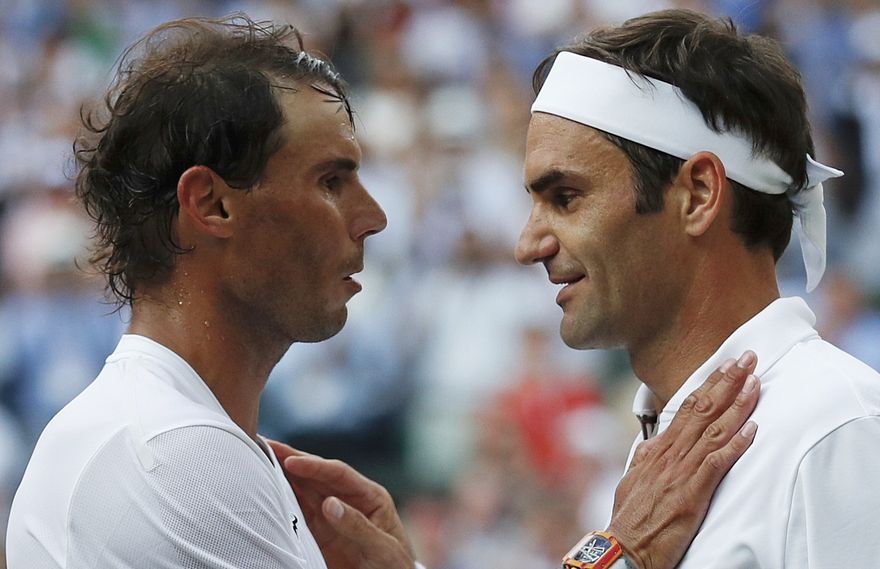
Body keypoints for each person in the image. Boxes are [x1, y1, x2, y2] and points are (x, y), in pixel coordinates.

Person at [7, 15, 758, 569]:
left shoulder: (160, 432)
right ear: (212, 205)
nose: (374, 216)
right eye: (332, 180)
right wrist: (619, 552)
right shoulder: (171, 451)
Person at [516, 9, 880, 569]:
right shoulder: (664, 446)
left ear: (699, 194)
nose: (528, 244)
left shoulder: (836, 430)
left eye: (566, 198)